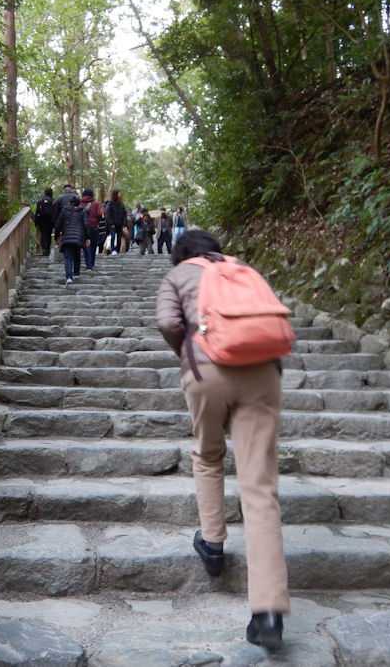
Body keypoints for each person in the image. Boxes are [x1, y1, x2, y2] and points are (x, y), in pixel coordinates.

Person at [155, 230, 289, 652]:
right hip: (263, 371)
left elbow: (168, 322)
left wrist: (188, 351)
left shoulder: (178, 275)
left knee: (209, 455)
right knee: (260, 487)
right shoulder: (243, 268)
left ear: (180, 255)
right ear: (215, 249)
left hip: (207, 370)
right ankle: (268, 612)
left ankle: (212, 542)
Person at [53, 194, 90, 284]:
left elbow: (58, 225)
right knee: (77, 255)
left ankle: (69, 277)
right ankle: (76, 273)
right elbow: (86, 225)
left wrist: (56, 236)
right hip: (78, 237)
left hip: (67, 237)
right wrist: (87, 237)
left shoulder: (64, 211)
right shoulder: (82, 211)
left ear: (70, 203)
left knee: (68, 257)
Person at [80, 188, 102, 271]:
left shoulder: (80, 203)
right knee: (93, 245)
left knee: (86, 246)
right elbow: (100, 214)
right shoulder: (96, 203)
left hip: (84, 228)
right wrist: (97, 221)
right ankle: (91, 263)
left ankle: (88, 264)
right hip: (94, 227)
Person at [34, 187, 55, 256]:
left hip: (42, 220)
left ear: (45, 193)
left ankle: (44, 249)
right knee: (49, 234)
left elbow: (37, 212)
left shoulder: (40, 201)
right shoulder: (53, 201)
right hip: (50, 220)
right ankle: (48, 249)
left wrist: (36, 221)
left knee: (43, 234)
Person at [105, 190, 127, 254]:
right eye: (118, 194)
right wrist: (111, 223)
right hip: (112, 224)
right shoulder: (110, 204)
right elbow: (108, 215)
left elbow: (124, 214)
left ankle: (117, 250)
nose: (120, 195)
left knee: (119, 237)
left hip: (120, 224)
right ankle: (112, 249)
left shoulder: (121, 204)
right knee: (113, 236)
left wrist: (124, 223)